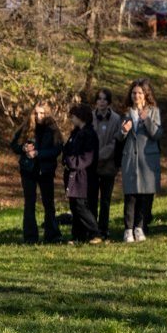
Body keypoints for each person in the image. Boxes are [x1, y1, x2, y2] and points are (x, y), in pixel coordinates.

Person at [117, 78, 163, 242]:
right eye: (134, 93)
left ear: (145, 95)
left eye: (139, 93)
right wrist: (123, 130)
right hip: (130, 158)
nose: (136, 95)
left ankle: (139, 227)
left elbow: (158, 134)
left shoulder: (153, 111)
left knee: (145, 196)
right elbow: (118, 137)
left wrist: (147, 119)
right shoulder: (125, 112)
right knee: (131, 196)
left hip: (148, 159)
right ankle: (128, 229)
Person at [18, 103, 62, 243]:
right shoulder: (27, 127)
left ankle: (52, 234)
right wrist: (23, 148)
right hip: (28, 170)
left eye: (42, 113)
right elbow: (14, 144)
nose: (38, 116)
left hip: (46, 170)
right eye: (36, 113)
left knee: (48, 203)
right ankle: (30, 236)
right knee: (29, 203)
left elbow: (56, 150)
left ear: (47, 114)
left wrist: (38, 153)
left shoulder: (53, 129)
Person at [61, 103, 101, 243]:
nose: (71, 119)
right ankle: (78, 236)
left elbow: (87, 158)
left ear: (81, 117)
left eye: (73, 116)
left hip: (83, 177)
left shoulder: (89, 134)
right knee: (74, 205)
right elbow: (67, 149)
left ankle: (95, 232)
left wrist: (71, 162)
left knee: (80, 205)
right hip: (73, 175)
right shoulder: (76, 133)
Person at [89, 89, 122, 234]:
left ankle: (103, 228)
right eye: (99, 99)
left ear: (109, 101)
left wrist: (101, 156)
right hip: (92, 165)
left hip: (109, 165)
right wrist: (94, 157)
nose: (101, 102)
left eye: (104, 99)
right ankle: (92, 228)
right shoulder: (89, 117)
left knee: (105, 200)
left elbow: (116, 142)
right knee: (92, 199)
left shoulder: (116, 119)